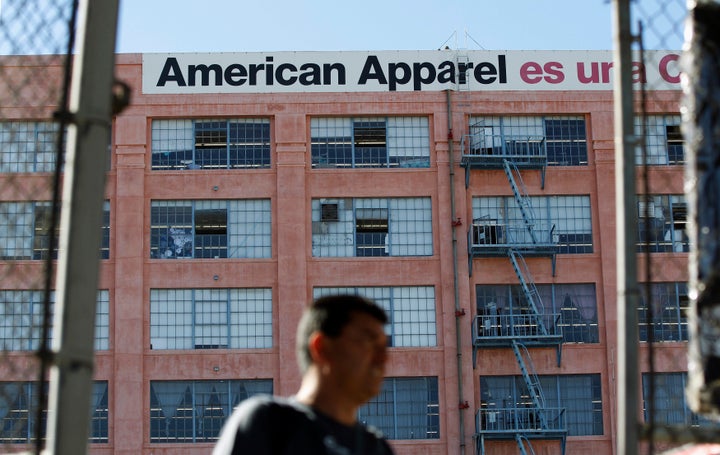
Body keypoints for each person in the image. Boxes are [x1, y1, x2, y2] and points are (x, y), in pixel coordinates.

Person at [213, 294, 395, 455]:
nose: (383, 358)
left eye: (384, 346)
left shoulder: (377, 447)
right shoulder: (268, 422)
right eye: (368, 342)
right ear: (321, 347)